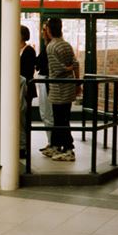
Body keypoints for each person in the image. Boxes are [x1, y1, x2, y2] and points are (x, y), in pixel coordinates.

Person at [44, 17, 79, 161]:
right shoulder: (66, 45)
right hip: (69, 86)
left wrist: (67, 68)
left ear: (49, 30)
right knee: (63, 118)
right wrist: (77, 82)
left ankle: (68, 148)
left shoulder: (51, 47)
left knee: (60, 119)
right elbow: (75, 63)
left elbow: (57, 69)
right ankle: (57, 145)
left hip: (58, 89)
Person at [19, 25, 37, 158]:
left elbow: (27, 71)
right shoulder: (14, 49)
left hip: (25, 88)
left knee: (24, 117)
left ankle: (24, 146)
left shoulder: (29, 50)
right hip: (17, 87)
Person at [35, 25, 54, 152]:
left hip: (47, 81)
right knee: (45, 113)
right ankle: (51, 142)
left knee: (48, 113)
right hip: (44, 80)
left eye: (44, 30)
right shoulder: (47, 46)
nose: (42, 33)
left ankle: (52, 142)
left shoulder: (51, 47)